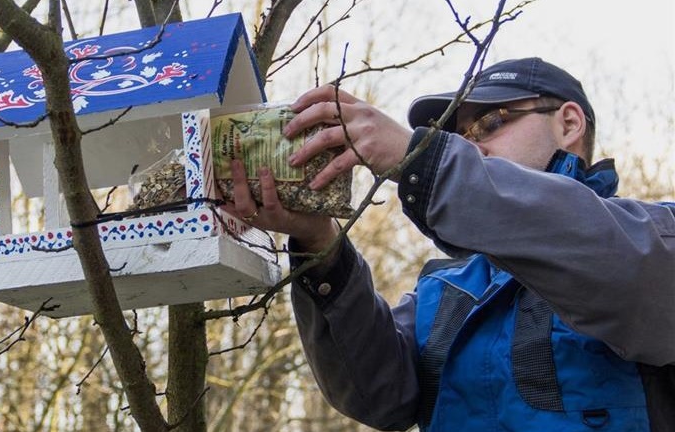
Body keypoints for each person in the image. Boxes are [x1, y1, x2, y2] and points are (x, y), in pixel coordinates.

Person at [223, 57, 675, 431]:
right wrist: (319, 243)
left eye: (491, 122)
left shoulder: (652, 234)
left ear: (569, 122)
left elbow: (626, 276)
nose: (470, 145)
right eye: (457, 138)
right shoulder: (445, 288)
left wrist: (421, 158)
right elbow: (379, 397)